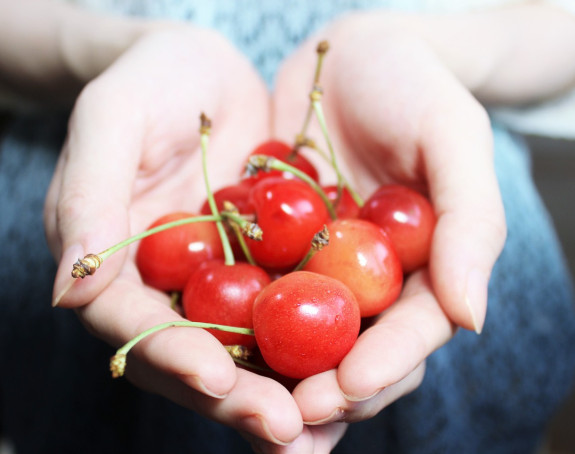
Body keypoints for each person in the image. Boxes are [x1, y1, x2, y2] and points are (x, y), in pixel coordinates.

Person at [1, 0, 574, 453]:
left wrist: (422, 47)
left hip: (416, 153)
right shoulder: (255, 225)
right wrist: (116, 48)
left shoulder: (326, 222)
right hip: (132, 166)